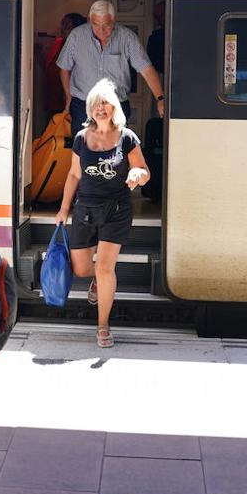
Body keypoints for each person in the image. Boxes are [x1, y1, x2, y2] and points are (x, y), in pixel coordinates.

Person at [54, 79, 150, 349]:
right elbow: (74, 174)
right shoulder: (81, 138)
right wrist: (63, 209)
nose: (101, 108)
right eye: (96, 104)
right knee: (82, 268)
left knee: (105, 267)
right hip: (84, 209)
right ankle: (97, 282)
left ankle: (103, 325)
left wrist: (136, 174)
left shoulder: (126, 137)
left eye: (105, 103)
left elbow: (144, 171)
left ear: (114, 107)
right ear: (89, 109)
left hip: (116, 209)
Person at [56, 0, 165, 133]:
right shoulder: (77, 36)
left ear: (113, 20)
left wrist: (160, 98)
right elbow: (64, 67)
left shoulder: (127, 38)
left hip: (116, 106)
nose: (101, 30)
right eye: (95, 24)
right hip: (83, 106)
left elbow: (146, 69)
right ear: (89, 20)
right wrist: (69, 98)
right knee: (83, 150)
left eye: (106, 25)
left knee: (116, 151)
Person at [42, 12, 86, 114]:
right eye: (63, 24)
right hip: (51, 100)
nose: (63, 28)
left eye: (67, 26)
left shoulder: (79, 48)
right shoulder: (58, 43)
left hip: (68, 103)